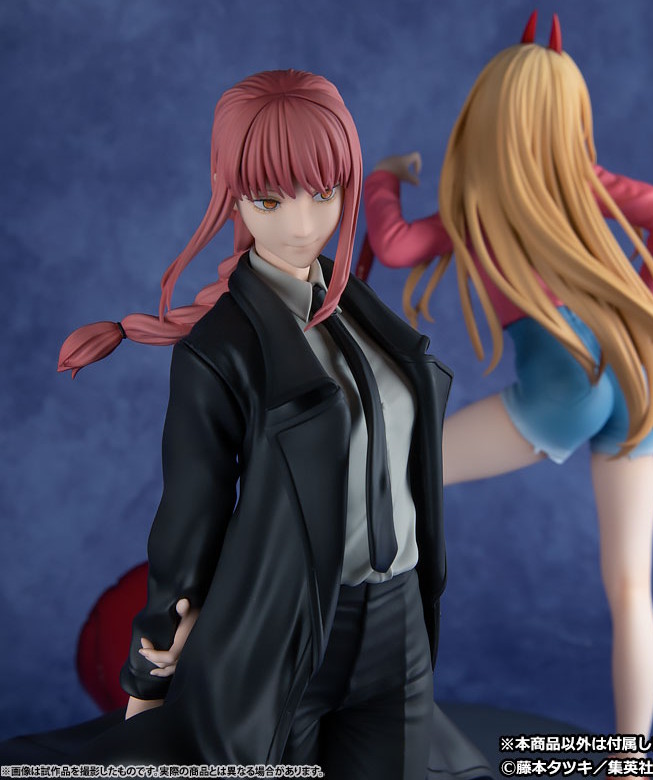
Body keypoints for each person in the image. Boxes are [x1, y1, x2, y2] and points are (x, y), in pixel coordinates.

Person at [48, 68, 489, 778]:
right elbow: (191, 514)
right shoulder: (219, 348)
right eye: (270, 199)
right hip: (289, 628)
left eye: (324, 193)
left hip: (399, 616)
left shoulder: (357, 312)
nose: (302, 225)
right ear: (231, 193)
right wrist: (151, 666)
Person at [358, 13, 653, 748]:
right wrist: (644, 309)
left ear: (489, 113)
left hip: (567, 383)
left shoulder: (475, 204)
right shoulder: (585, 183)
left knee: (393, 473)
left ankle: (362, 665)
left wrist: (383, 176)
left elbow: (393, 246)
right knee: (631, 588)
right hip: (643, 378)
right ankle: (632, 759)